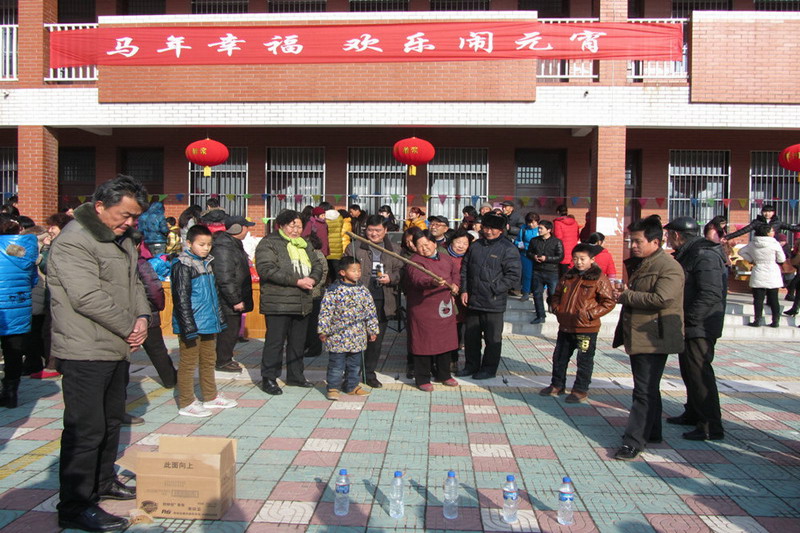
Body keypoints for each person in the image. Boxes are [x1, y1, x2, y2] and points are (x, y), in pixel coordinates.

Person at [48, 175, 150, 531]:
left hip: (115, 347)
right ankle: (75, 505)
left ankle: (104, 481)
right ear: (100, 206)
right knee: (85, 429)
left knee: (109, 422)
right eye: (125, 215)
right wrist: (130, 326)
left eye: (135, 217)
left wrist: (142, 317)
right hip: (84, 349)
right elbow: (86, 297)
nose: (130, 223)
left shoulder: (121, 239)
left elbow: (134, 283)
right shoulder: (75, 240)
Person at [611, 215, 685, 461]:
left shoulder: (668, 267)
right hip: (642, 333)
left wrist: (626, 296)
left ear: (656, 242)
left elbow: (662, 298)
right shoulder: (646, 263)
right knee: (648, 388)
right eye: (631, 241)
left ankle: (634, 441)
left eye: (638, 241)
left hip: (654, 336)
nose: (633, 246)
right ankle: (652, 431)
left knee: (643, 391)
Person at [664, 216, 726, 441]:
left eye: (668, 235)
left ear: (677, 235)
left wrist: (689, 320)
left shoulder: (704, 254)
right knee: (689, 371)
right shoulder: (690, 252)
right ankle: (693, 412)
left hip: (701, 325)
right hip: (692, 324)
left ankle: (710, 425)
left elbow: (710, 293)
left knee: (700, 374)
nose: (667, 239)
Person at [256, 209, 324, 395]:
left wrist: (313, 278)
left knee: (297, 342)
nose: (296, 230)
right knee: (275, 342)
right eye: (291, 226)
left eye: (299, 226)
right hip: (278, 302)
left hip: (302, 301)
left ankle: (296, 375)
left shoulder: (305, 244)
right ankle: (269, 378)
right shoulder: (269, 243)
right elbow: (266, 269)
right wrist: (297, 281)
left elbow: (317, 265)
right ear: (281, 226)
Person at [172, 225, 236, 417]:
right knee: (188, 363)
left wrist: (219, 318)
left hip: (208, 322)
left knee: (208, 361)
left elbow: (214, 294)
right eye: (201, 244)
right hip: (191, 323)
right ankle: (186, 402)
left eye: (209, 244)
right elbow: (181, 298)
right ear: (189, 243)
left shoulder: (207, 263)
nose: (206, 248)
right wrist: (187, 325)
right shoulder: (182, 265)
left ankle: (210, 396)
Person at [540, 243, 615, 403]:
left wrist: (589, 314)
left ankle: (580, 390)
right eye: (575, 259)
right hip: (566, 326)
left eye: (582, 259)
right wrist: (557, 307)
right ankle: (557, 385)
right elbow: (556, 294)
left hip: (586, 328)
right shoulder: (568, 276)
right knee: (559, 357)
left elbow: (609, 302)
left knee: (584, 360)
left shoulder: (599, 278)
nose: (578, 262)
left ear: (592, 260)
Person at [457, 212, 521, 379]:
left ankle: (488, 369)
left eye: (493, 228)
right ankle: (471, 366)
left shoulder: (508, 248)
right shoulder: (476, 246)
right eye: (486, 227)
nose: (489, 231)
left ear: (501, 230)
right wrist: (465, 290)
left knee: (492, 339)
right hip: (473, 300)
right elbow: (465, 269)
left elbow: (513, 275)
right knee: (471, 337)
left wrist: (494, 288)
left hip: (493, 302)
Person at [347, 215, 403, 388]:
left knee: (375, 339)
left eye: (378, 230)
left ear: (385, 230)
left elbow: (401, 272)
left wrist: (391, 278)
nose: (374, 234)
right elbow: (344, 269)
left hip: (382, 298)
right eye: (370, 230)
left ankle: (369, 373)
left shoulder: (394, 249)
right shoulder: (354, 247)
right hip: (359, 298)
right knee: (355, 337)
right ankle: (351, 374)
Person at [404, 230, 460, 391]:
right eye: (420, 246)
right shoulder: (414, 261)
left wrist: (455, 284)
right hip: (423, 309)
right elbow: (417, 279)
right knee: (423, 343)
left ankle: (444, 374)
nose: (425, 248)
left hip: (444, 307)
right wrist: (432, 282)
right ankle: (422, 378)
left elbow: (455, 273)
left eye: (427, 244)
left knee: (445, 341)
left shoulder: (446, 258)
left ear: (434, 244)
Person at [318, 256, 379, 400]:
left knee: (355, 365)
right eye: (353, 270)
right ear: (342, 272)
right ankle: (333, 387)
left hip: (358, 336)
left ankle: (352, 386)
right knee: (336, 365)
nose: (357, 273)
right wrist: (323, 330)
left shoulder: (363, 290)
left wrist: (372, 329)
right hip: (337, 336)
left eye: (359, 270)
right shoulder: (333, 290)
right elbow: (326, 312)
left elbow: (370, 312)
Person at [0, 215, 38, 406]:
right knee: (13, 353)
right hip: (18, 306)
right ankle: (11, 393)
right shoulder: (24, 251)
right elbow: (33, 280)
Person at [133, 232, 177, 389]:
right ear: (138, 245)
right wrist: (158, 306)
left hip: (123, 315)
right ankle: (170, 380)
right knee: (157, 350)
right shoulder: (141, 264)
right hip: (146, 313)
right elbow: (154, 288)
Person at [212, 215, 256, 373]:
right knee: (229, 331)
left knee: (232, 329)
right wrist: (235, 300)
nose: (248, 230)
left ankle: (226, 358)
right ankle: (222, 361)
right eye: (246, 227)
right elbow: (224, 277)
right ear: (238, 228)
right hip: (227, 299)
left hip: (233, 296)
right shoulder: (224, 247)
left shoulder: (233, 244)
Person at [738, 224, 785, 327]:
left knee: (758, 299)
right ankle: (775, 320)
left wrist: (751, 260)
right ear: (767, 232)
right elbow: (781, 259)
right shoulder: (774, 244)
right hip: (772, 270)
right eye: (771, 231)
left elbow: (741, 252)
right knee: (774, 298)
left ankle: (757, 320)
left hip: (758, 269)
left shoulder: (753, 243)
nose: (773, 232)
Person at [445, 229, 473, 373]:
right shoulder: (443, 255)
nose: (461, 246)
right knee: (447, 331)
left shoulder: (470, 258)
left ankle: (454, 360)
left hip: (462, 301)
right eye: (458, 242)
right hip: (445, 299)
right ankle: (446, 360)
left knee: (458, 331)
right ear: (452, 242)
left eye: (465, 243)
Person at [527, 220, 564, 325]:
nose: (539, 230)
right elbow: (529, 252)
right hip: (537, 270)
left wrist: (546, 258)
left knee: (552, 292)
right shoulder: (534, 240)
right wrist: (534, 256)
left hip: (551, 271)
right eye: (539, 228)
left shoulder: (557, 242)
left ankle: (551, 304)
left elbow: (560, 257)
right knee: (537, 293)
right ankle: (540, 315)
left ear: (549, 230)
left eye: (541, 228)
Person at [304, 232, 329, 358]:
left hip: (315, 293)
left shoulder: (316, 255)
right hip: (313, 292)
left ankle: (314, 347)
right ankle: (309, 345)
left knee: (314, 323)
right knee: (310, 322)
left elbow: (321, 275)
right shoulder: (315, 254)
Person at [514, 212, 540, 301]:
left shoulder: (540, 229)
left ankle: (538, 291)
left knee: (538, 274)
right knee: (527, 274)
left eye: (533, 222)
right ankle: (525, 292)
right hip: (525, 254)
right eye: (529, 223)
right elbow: (518, 240)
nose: (531, 225)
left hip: (537, 255)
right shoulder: (524, 229)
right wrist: (520, 245)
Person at [553, 204, 580, 277]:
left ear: (558, 212)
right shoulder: (575, 222)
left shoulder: (558, 222)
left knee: (562, 275)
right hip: (573, 249)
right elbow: (577, 236)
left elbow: (558, 237)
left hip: (563, 250)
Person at [322, 202, 346, 279]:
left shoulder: (323, 218)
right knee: (337, 270)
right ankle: (338, 283)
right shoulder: (339, 217)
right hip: (337, 245)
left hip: (326, 246)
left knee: (326, 270)